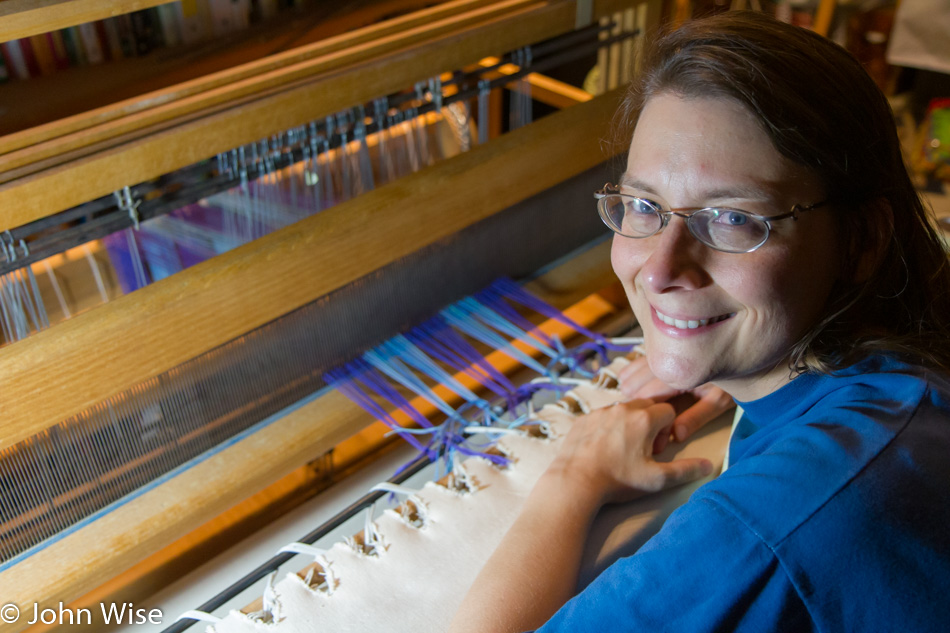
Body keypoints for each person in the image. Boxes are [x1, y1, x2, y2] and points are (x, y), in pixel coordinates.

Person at [448, 11, 950, 633]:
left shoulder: (771, 525)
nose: (660, 271)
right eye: (642, 206)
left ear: (862, 238)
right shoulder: (904, 370)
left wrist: (574, 477)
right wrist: (742, 353)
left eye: (733, 220)